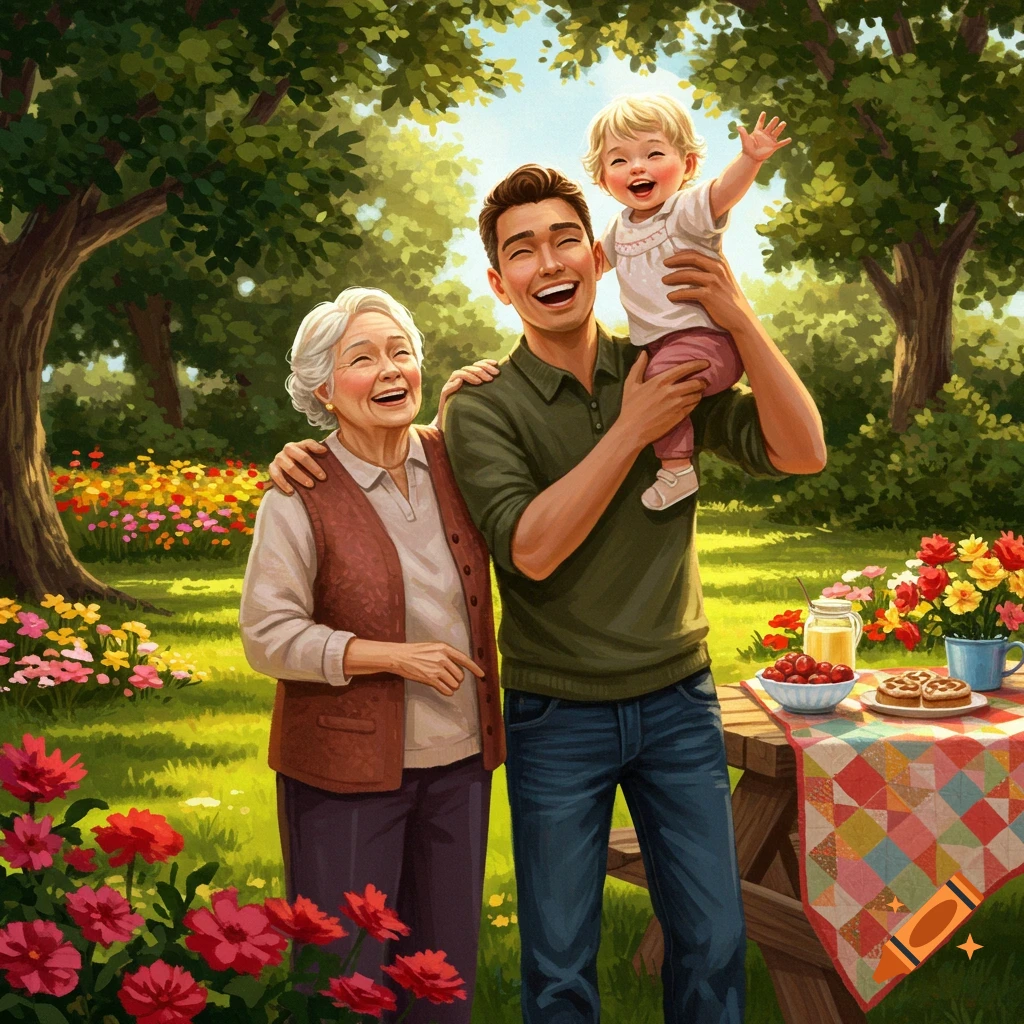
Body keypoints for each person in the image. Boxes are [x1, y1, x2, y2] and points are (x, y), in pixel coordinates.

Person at [269, 165, 826, 1024]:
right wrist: (635, 431)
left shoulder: (661, 361)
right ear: (500, 282)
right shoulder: (485, 408)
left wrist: (739, 318)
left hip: (679, 697)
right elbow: (528, 548)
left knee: (714, 939)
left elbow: (801, 452)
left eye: (566, 238)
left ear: (599, 258)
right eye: (521, 249)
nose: (548, 260)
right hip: (555, 712)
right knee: (561, 958)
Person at [239, 286, 505, 1024]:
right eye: (363, 359)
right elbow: (267, 635)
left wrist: (476, 392)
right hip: (343, 775)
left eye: (401, 354)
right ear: (323, 389)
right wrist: (392, 657)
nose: (391, 371)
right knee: (346, 979)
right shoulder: (298, 492)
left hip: (459, 761)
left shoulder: (456, 461)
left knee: (441, 975)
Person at [585, 94, 790, 509]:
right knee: (644, 378)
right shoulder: (617, 228)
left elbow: (722, 193)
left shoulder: (684, 211)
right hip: (658, 345)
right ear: (604, 179)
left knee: (659, 385)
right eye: (619, 161)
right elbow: (591, 266)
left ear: (689, 166)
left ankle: (677, 469)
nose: (637, 167)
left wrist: (750, 161)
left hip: (705, 342)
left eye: (653, 153)